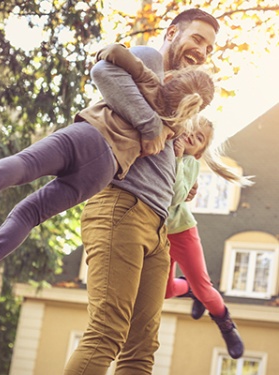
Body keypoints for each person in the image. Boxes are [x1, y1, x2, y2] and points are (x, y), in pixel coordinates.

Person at [0, 42, 214, 302]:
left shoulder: (151, 81)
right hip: (102, 173)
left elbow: (112, 54)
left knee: (25, 164)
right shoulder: (170, 130)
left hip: (90, 137)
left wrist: (111, 52)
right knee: (29, 215)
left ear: (170, 77)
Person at [63, 8, 220, 375]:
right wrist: (151, 126)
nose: (202, 51)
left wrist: (181, 184)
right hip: (122, 207)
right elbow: (103, 71)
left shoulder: (180, 92)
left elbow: (160, 156)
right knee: (106, 333)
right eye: (197, 38)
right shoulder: (149, 59)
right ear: (172, 33)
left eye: (210, 48)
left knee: (142, 350)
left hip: (157, 225)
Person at [165, 115, 252, 359]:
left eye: (199, 137)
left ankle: (227, 325)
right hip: (159, 234)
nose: (192, 135)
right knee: (164, 291)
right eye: (191, 129)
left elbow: (175, 196)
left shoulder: (189, 162)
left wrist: (178, 157)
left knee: (205, 290)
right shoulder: (166, 147)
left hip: (181, 231)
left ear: (199, 152)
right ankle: (189, 288)